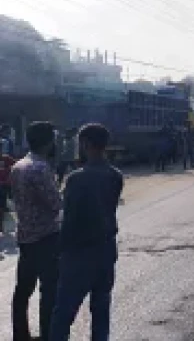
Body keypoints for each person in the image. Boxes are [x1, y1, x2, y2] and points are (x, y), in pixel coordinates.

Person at [49, 123, 123, 341]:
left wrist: (59, 252)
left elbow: (70, 220)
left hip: (79, 254)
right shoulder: (115, 175)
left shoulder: (76, 178)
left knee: (63, 314)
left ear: (86, 144)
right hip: (106, 250)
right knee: (101, 311)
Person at [10, 121, 61, 341]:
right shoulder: (40, 168)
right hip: (46, 237)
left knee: (23, 290)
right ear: (48, 141)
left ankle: (20, 334)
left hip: (25, 236)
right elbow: (54, 203)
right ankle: (48, 334)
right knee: (49, 290)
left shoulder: (18, 165)